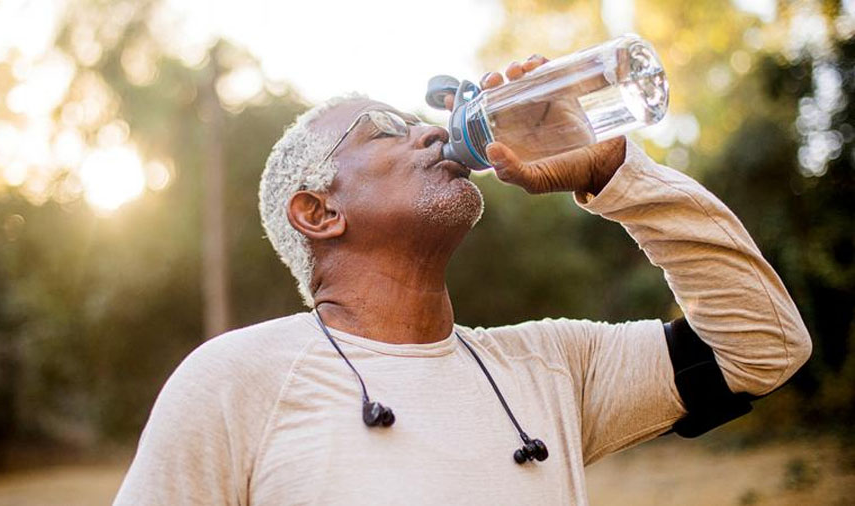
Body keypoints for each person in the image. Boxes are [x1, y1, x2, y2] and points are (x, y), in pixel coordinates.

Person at [114, 55, 812, 505]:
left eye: (420, 121)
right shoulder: (237, 380)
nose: (426, 133)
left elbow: (767, 346)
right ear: (318, 211)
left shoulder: (553, 365)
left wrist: (613, 173)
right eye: (382, 130)